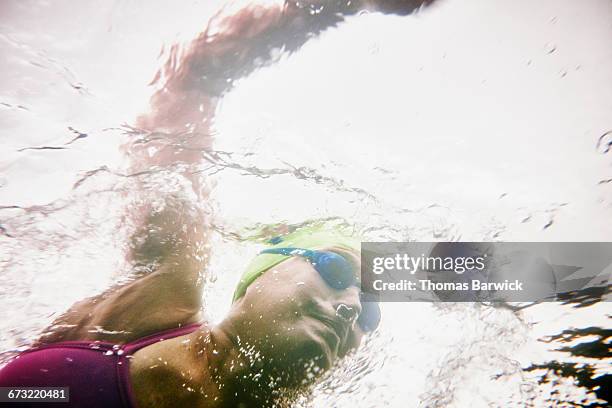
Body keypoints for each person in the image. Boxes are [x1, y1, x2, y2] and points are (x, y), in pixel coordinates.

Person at [0, 1, 435, 406]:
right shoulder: (159, 299)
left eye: (371, 314)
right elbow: (198, 75)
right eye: (335, 269)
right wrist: (335, 7)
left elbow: (502, 272)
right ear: (266, 267)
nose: (352, 308)